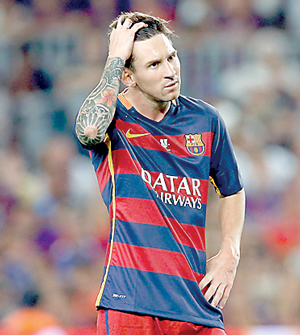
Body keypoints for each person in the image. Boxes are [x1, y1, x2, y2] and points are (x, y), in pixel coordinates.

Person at [74, 11, 245, 335]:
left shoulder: (205, 120)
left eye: (171, 57)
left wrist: (230, 253)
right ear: (127, 76)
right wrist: (114, 59)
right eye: (154, 65)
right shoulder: (114, 121)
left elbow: (232, 190)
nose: (170, 72)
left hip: (196, 304)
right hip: (130, 305)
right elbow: (88, 132)